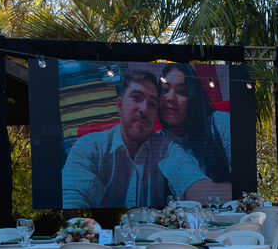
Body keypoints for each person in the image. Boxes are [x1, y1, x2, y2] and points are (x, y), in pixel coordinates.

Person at [61, 69, 232, 208]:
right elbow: (72, 201)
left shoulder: (166, 148)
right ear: (119, 105)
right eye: (136, 98)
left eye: (151, 103)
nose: (144, 109)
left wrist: (243, 198)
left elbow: (199, 188)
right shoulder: (89, 147)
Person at [158, 64, 231, 182]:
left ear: (193, 96)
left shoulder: (219, 123)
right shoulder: (156, 142)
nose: (170, 97)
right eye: (164, 90)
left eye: (182, 91)